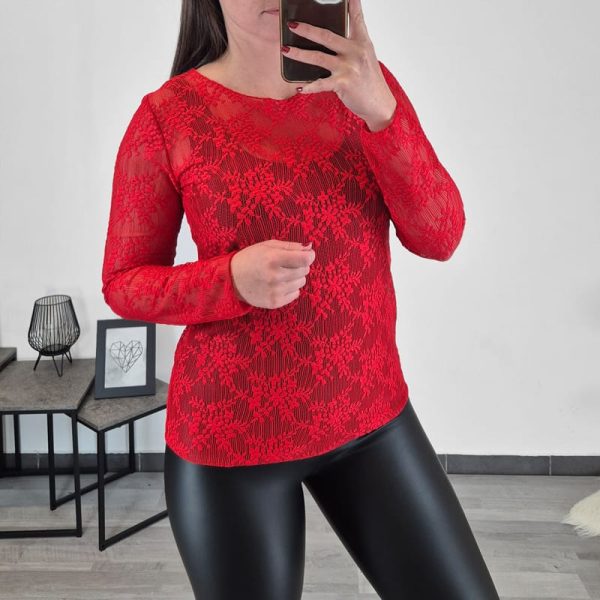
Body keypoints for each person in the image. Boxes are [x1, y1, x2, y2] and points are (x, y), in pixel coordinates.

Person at [101, 0, 500, 598]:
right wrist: (229, 279)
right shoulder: (168, 116)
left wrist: (381, 112)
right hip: (230, 443)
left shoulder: (364, 88)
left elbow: (440, 236)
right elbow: (124, 281)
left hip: (371, 417)